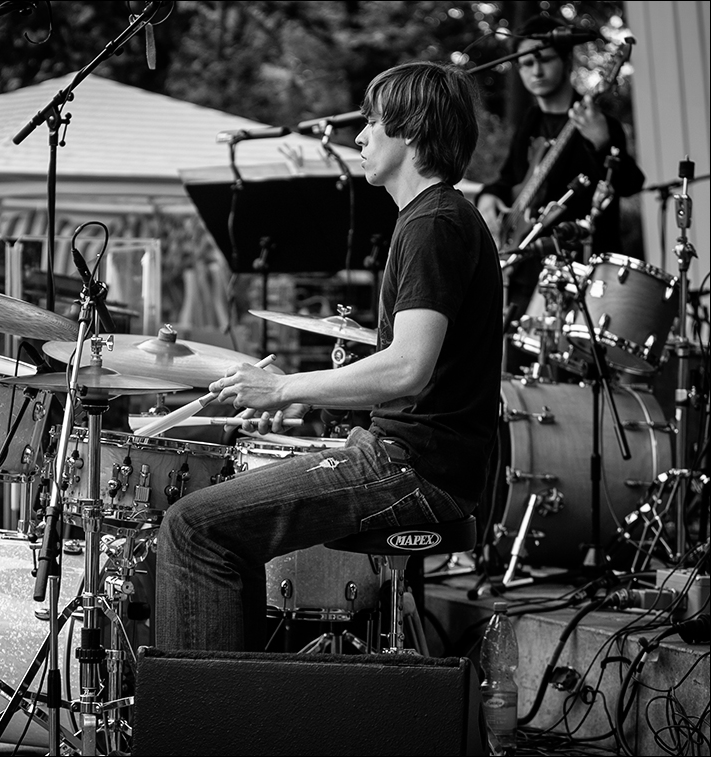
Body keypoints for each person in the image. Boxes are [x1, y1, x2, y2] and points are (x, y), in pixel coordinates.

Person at [153, 61, 502, 652]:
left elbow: (407, 368)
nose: (360, 137)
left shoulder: (434, 223)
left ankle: (210, 723)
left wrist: (285, 388)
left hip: (415, 470)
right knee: (210, 527)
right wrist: (317, 409)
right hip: (405, 456)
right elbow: (422, 380)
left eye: (371, 122)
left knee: (191, 528)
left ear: (412, 128)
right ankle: (240, 708)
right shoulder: (432, 219)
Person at [477, 15, 645, 372]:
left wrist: (601, 143)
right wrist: (489, 197)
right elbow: (509, 178)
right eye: (525, 63)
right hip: (525, 268)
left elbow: (630, 183)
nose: (534, 70)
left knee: (571, 377)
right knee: (512, 372)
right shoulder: (531, 122)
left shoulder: (602, 124)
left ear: (566, 61)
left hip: (578, 274)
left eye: (544, 58)